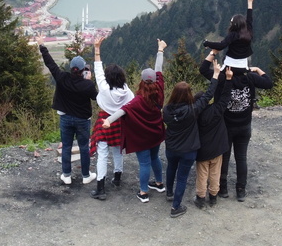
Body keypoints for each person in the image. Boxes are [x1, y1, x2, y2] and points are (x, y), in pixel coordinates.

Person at [200, 46, 273, 201]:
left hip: (225, 126)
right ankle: (241, 190)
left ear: (229, 66)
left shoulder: (221, 78)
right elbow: (269, 83)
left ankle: (223, 189)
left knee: (224, 157)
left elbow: (203, 69)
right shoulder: (251, 78)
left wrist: (213, 53)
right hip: (244, 126)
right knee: (241, 157)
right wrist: (258, 69)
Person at [103, 39, 167, 203]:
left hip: (142, 138)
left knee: (144, 163)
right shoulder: (159, 88)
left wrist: (108, 121)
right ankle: (159, 184)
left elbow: (122, 111)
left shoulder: (138, 100)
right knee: (155, 158)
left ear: (142, 80)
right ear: (154, 79)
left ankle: (144, 192)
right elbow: (159, 68)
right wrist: (160, 50)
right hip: (157, 133)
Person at [161, 61, 226, 218]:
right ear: (189, 94)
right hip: (188, 150)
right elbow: (209, 94)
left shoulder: (167, 110)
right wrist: (216, 75)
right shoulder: (193, 110)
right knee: (182, 178)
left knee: (171, 168)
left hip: (171, 147)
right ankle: (176, 207)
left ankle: (169, 192)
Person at [38, 37, 98, 186]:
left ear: (71, 68)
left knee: (66, 146)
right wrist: (89, 81)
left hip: (65, 118)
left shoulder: (62, 78)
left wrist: (42, 46)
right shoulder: (87, 85)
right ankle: (85, 175)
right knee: (84, 147)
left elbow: (50, 63)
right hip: (83, 120)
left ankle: (66, 175)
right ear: (84, 70)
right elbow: (96, 98)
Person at [88, 35, 135, 200]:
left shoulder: (104, 88)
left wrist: (97, 49)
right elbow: (132, 106)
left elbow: (98, 69)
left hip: (104, 121)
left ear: (108, 78)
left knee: (102, 154)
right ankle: (117, 178)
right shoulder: (127, 92)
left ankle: (101, 188)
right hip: (119, 122)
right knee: (117, 150)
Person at [194, 51, 232, 209]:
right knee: (215, 173)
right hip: (217, 149)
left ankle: (201, 198)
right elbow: (225, 98)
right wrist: (228, 79)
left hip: (202, 150)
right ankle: (213, 196)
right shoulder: (216, 110)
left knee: (201, 175)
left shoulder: (193, 114)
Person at [203, 0, 254, 69]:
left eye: (231, 22)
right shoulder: (248, 32)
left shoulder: (233, 35)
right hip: (243, 65)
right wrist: (250, 2)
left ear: (234, 24)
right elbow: (249, 18)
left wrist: (206, 43)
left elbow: (221, 45)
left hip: (230, 64)